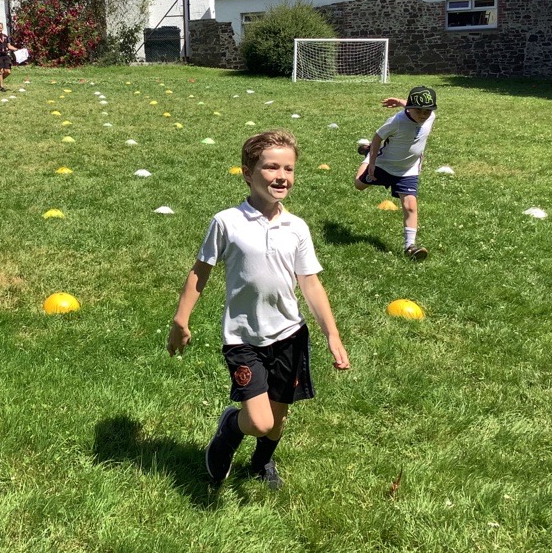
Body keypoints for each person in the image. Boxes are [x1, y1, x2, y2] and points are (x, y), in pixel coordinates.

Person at [167, 129, 350, 490]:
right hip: (244, 338)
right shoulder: (227, 222)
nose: (281, 176)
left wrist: (332, 333)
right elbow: (200, 271)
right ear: (248, 173)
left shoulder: (296, 228)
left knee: (278, 419)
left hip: (289, 336)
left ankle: (262, 462)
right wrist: (180, 320)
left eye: (289, 169)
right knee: (260, 421)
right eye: (271, 167)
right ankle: (230, 428)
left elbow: (310, 283)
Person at [355, 85, 437, 261]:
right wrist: (372, 162)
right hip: (384, 165)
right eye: (419, 111)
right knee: (359, 185)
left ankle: (410, 246)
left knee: (410, 205)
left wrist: (400, 101)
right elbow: (378, 137)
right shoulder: (397, 121)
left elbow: (418, 108)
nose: (424, 115)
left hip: (408, 170)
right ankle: (368, 154)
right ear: (410, 109)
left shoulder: (430, 118)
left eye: (428, 111)